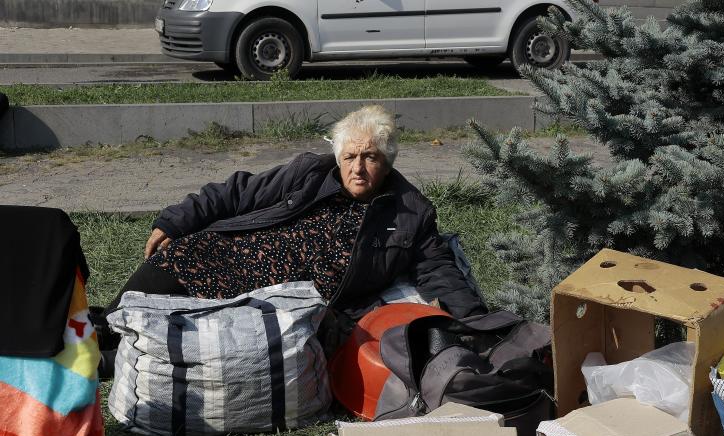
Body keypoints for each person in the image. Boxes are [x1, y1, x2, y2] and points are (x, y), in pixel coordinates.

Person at [95, 105, 486, 374]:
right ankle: (98, 329)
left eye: (370, 157)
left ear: (387, 162)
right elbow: (238, 191)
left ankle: (108, 362)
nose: (358, 168)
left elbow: (438, 269)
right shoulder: (309, 172)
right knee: (177, 257)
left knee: (212, 334)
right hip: (239, 255)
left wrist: (475, 323)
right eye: (350, 157)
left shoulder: (410, 211)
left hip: (295, 296)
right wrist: (176, 221)